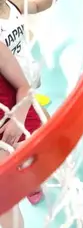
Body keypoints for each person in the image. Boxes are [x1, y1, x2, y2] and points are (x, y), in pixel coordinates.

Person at [0, 0, 55, 204]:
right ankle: (31, 184)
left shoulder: (13, 4)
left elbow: (39, 5)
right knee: (18, 149)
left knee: (46, 127)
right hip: (9, 91)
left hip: (25, 75)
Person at [0, 42, 42, 228]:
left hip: (17, 118)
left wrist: (18, 117)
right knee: (3, 199)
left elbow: (25, 87)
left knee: (34, 171)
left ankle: (33, 183)